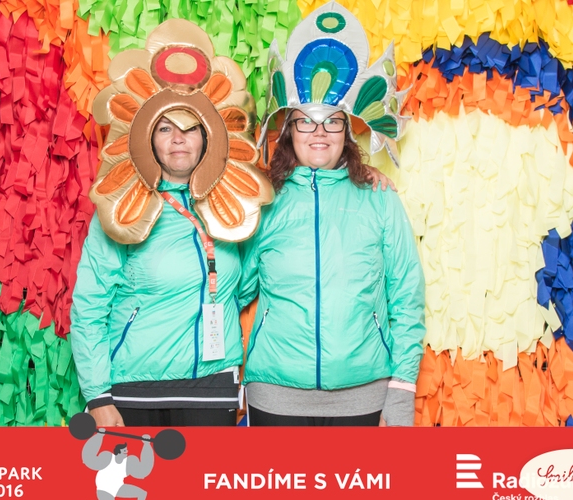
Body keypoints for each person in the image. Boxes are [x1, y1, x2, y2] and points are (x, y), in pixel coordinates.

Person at [70, 18, 396, 429]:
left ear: (207, 136)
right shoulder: (122, 208)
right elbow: (89, 306)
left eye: (190, 129)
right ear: (147, 135)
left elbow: (248, 282)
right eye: (166, 128)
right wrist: (98, 395)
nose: (178, 139)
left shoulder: (236, 204)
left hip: (213, 389)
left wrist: (358, 173)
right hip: (133, 389)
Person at [238, 4, 426, 427]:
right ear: (289, 130)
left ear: (347, 130)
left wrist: (402, 387)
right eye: (306, 122)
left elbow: (406, 297)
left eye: (332, 122)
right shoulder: (265, 201)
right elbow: (236, 287)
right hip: (275, 394)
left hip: (363, 394)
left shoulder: (380, 198)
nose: (319, 133)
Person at [82, 430, 153, 500]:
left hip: (118, 487)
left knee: (142, 493)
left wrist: (146, 444)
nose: (127, 452)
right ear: (118, 452)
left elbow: (144, 469)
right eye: (124, 450)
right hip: (104, 488)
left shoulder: (128, 463)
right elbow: (90, 458)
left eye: (127, 450)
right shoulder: (108, 458)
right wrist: (99, 436)